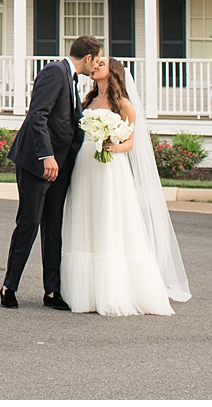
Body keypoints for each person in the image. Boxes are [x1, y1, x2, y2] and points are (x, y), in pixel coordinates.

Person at [62, 57, 192, 315]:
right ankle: (85, 292)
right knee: (86, 220)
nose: (96, 66)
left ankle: (112, 292)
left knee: (109, 220)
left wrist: (111, 145)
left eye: (102, 64)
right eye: (96, 63)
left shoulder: (123, 105)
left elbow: (130, 142)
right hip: (85, 165)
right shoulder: (86, 101)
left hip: (110, 168)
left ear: (113, 73)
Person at [0, 35, 102, 310]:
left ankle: (52, 292)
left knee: (53, 226)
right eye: (97, 60)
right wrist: (46, 156)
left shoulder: (72, 80)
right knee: (29, 222)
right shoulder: (54, 72)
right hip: (37, 162)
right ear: (88, 58)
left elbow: (68, 122)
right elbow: (38, 116)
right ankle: (9, 286)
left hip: (62, 165)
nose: (97, 67)